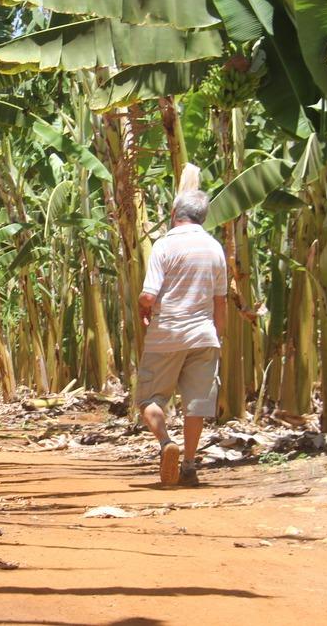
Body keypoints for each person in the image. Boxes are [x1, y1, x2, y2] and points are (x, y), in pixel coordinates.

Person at [136, 190, 227, 486]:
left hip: (167, 335)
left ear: (174, 214)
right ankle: (189, 465)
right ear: (203, 217)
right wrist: (217, 335)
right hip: (204, 336)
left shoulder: (164, 245)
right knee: (196, 405)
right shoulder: (215, 248)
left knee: (148, 399)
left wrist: (142, 306)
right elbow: (220, 301)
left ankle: (166, 443)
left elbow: (149, 295)